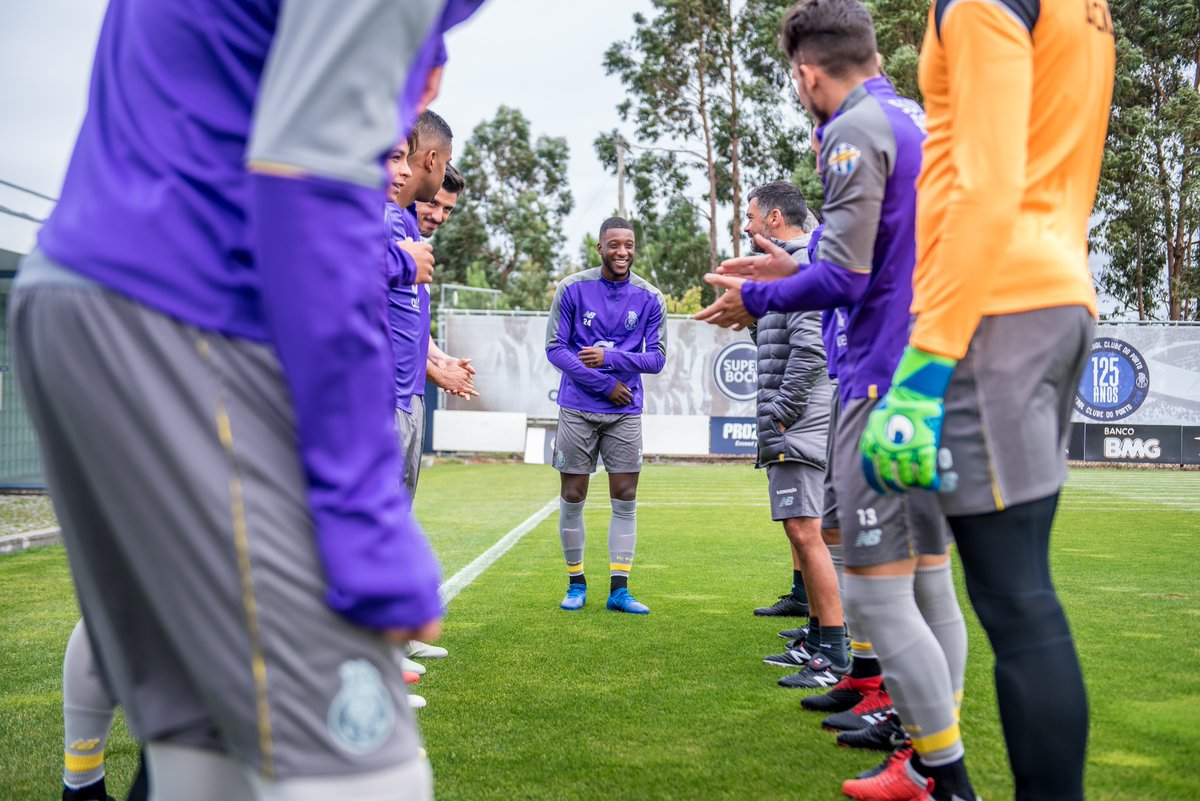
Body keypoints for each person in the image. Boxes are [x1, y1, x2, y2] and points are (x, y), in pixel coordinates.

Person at [10, 2, 486, 798]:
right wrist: (367, 518)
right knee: (367, 767)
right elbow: (312, 194)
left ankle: (85, 780)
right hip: (188, 309)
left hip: (96, 290)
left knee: (205, 756)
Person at [696, 3, 974, 800]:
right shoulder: (912, 117)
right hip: (931, 368)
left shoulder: (851, 129)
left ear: (807, 74)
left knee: (877, 591)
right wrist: (790, 266)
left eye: (796, 81)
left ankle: (944, 778)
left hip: (881, 377)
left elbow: (849, 277)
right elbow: (877, 250)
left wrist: (760, 299)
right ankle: (920, 754)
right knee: (928, 582)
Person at [859, 1, 1115, 799]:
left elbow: (989, 180)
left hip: (995, 312)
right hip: (1056, 294)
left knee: (1017, 601)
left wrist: (926, 361)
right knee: (1022, 592)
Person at [738, 182, 848, 690]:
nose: (747, 226)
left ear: (775, 219)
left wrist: (780, 413)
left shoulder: (803, 266)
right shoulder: (793, 268)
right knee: (807, 531)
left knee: (808, 531)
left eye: (751, 217)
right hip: (797, 421)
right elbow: (779, 340)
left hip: (799, 422)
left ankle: (833, 651)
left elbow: (810, 350)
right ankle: (817, 637)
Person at [545, 217, 667, 615]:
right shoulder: (572, 288)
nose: (622, 252)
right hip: (578, 406)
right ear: (600, 248)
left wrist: (611, 358)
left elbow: (657, 358)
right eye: (614, 244)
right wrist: (604, 383)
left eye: (628, 244)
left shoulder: (650, 297)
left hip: (625, 410)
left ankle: (619, 590)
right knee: (573, 494)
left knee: (626, 496)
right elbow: (555, 348)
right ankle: (576, 583)